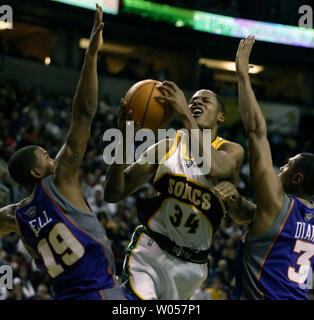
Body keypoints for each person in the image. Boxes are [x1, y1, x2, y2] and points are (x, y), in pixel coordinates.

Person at [0, 5, 130, 300]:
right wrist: (91, 55)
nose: (52, 157)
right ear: (36, 171)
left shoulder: (18, 216)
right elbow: (83, 114)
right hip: (101, 294)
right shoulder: (59, 180)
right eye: (45, 155)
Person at [104, 78, 248, 299]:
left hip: (191, 267)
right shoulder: (167, 145)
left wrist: (184, 113)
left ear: (221, 116)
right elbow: (113, 193)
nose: (196, 103)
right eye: (192, 101)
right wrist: (123, 137)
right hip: (150, 252)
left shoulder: (230, 150)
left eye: (205, 101)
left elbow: (215, 167)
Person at [216, 36, 314, 300]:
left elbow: (257, 132)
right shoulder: (282, 214)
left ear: (297, 178)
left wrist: (242, 75)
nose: (280, 167)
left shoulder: (276, 203)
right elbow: (258, 219)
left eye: (286, 166)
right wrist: (235, 201)